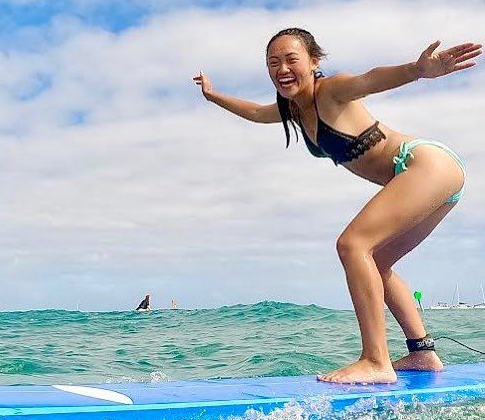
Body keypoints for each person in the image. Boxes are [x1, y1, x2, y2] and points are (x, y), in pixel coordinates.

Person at [193, 28, 481, 384]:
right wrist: (211, 95)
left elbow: (370, 78)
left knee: (353, 244)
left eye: (291, 59)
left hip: (423, 163)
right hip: (432, 176)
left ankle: (376, 360)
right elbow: (254, 112)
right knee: (376, 262)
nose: (282, 67)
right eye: (273, 62)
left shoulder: (331, 91)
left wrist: (417, 70)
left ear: (314, 62)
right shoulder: (294, 110)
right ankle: (423, 353)